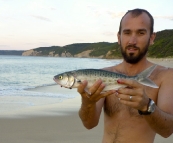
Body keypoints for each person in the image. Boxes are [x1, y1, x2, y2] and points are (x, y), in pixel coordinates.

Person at [77, 8, 173, 143]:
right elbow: (89, 124)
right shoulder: (104, 75)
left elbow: (167, 130)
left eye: (140, 33)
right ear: (119, 37)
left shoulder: (166, 76)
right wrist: (88, 102)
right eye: (127, 33)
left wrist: (147, 106)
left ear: (151, 38)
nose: (132, 41)